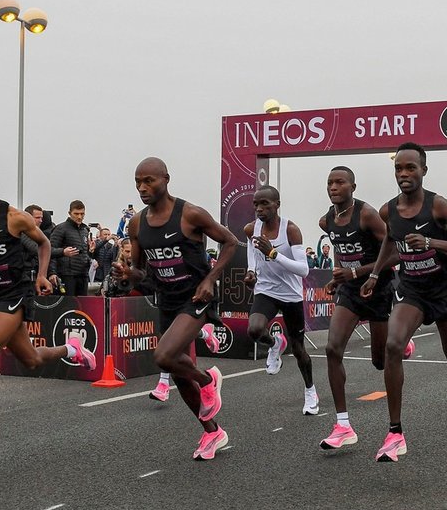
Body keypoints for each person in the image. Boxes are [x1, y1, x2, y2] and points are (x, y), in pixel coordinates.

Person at [0, 162, 96, 461]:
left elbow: (44, 242)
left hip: (15, 294)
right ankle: (71, 349)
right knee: (32, 359)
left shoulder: (13, 218)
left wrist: (41, 274)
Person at [361, 142, 447, 462]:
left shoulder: (439, 206)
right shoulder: (388, 210)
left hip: (443, 291)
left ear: (424, 171)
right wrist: (374, 274)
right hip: (412, 290)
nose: (403, 174)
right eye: (398, 168)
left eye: (410, 168)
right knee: (393, 345)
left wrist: (431, 241)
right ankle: (395, 433)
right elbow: (389, 238)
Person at [112, 157, 237, 460]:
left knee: (163, 356)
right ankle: (212, 432)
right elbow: (141, 271)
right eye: (138, 182)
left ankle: (209, 380)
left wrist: (210, 280)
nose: (143, 188)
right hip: (167, 299)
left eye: (149, 181)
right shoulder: (137, 223)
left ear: (166, 179)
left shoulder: (190, 214)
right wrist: (129, 275)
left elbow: (231, 242)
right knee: (178, 373)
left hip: (196, 297)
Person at [318, 166, 403, 450]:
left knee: (380, 362)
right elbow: (341, 253)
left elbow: (395, 253)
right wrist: (337, 275)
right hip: (350, 293)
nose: (333, 187)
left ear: (353, 186)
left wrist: (359, 274)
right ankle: (343, 425)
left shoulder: (367, 215)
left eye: (340, 182)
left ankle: (398, 338)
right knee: (332, 349)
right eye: (330, 182)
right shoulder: (326, 221)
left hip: (378, 289)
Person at [244, 185, 319, 415]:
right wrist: (251, 270)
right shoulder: (251, 229)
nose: (259, 209)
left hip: (291, 295)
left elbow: (303, 270)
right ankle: (275, 344)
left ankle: (310, 391)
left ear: (277, 204)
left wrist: (273, 254)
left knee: (299, 350)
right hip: (266, 290)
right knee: (255, 330)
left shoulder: (291, 230)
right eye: (256, 204)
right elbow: (250, 247)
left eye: (265, 204)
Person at [48, 200, 92, 296]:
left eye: (82, 214)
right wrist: (52, 272)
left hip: (83, 274)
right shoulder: (61, 228)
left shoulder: (85, 230)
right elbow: (49, 251)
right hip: (66, 275)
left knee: (83, 307)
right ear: (69, 213)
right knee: (68, 306)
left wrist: (91, 254)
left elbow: (84, 253)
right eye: (76, 214)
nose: (79, 217)